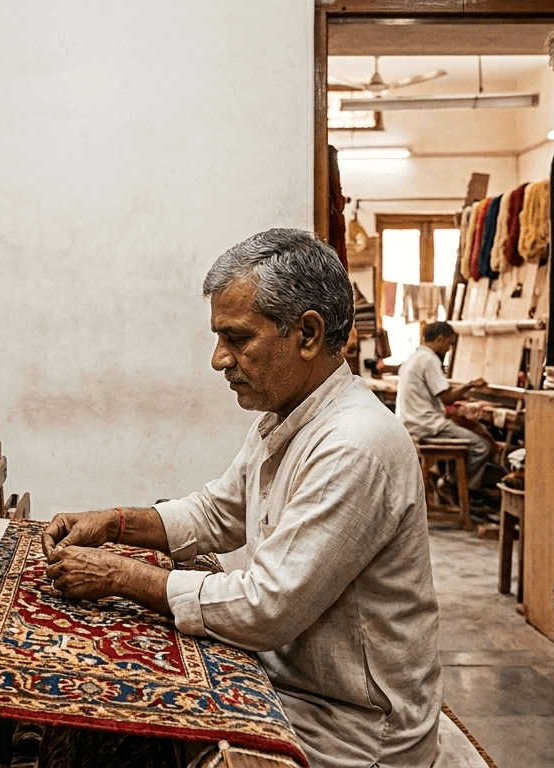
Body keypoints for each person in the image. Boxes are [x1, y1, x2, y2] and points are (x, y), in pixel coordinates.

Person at [43, 229, 441, 768]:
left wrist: (119, 577)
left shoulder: (355, 445)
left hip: (350, 730)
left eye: (236, 338)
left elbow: (266, 609)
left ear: (307, 333)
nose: (217, 359)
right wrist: (112, 523)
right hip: (297, 689)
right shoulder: (285, 417)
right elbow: (216, 513)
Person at [395, 322, 492, 490]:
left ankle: (450, 482)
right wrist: (470, 385)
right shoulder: (429, 359)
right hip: (426, 425)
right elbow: (446, 397)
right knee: (482, 446)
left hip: (410, 423)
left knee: (460, 432)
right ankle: (461, 490)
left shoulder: (413, 358)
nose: (448, 349)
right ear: (440, 340)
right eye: (449, 344)